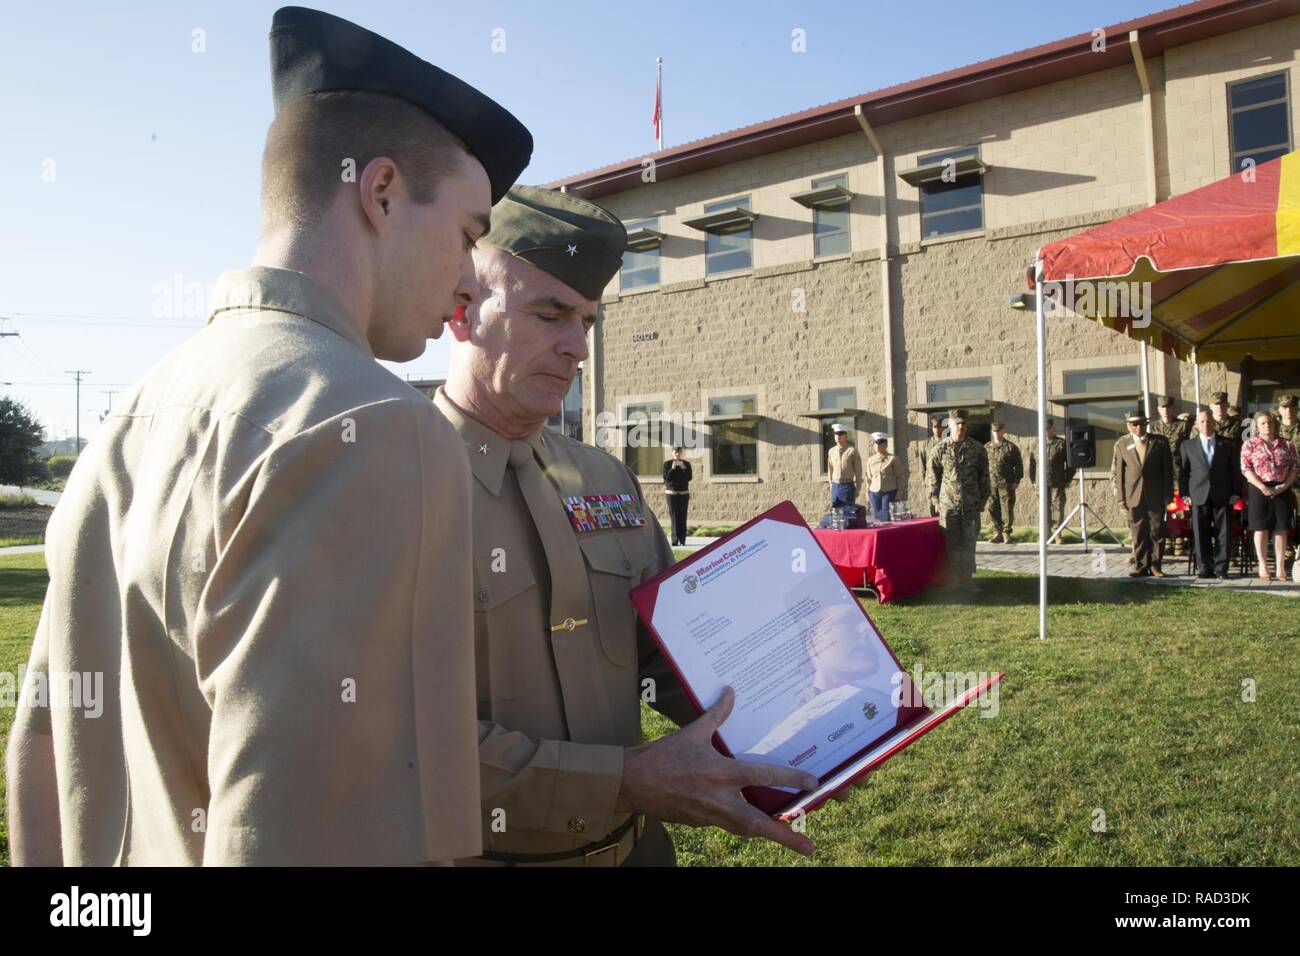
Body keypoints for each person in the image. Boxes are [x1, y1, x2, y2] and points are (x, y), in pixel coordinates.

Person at [4, 7, 535, 867]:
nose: (469, 283)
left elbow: (42, 765)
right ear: (383, 191)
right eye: (469, 233)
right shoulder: (376, 429)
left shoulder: (130, 415)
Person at [435, 184, 822, 867]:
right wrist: (623, 782)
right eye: (551, 314)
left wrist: (793, 732)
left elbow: (664, 654)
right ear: (462, 313)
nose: (578, 348)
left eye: (588, 321)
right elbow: (392, 738)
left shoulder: (605, 478)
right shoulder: (390, 485)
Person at [930, 408, 989, 593]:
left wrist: (982, 501)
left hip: (970, 504)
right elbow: (933, 477)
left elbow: (984, 477)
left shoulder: (978, 449)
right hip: (948, 506)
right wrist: (935, 500)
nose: (961, 427)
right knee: (952, 543)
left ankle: (968, 580)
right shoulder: (940, 449)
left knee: (969, 543)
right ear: (950, 424)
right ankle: (954, 580)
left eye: (964, 424)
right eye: (957, 424)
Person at [1179, 409, 1242, 579]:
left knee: (1224, 534)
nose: (1206, 424)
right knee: (1200, 535)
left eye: (1208, 421)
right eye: (1202, 422)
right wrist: (1184, 493)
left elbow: (1235, 471)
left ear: (1214, 423)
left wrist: (1236, 492)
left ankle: (1222, 569)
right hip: (1198, 495)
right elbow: (1184, 473)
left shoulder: (1228, 444)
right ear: (1196, 425)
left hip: (1223, 495)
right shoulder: (1187, 445)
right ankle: (1205, 568)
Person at [1112, 411, 1174, 578]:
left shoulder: (1160, 442)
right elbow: (1119, 474)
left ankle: (1155, 565)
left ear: (1146, 424)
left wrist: (1169, 495)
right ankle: (1141, 566)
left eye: (1141, 423)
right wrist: (1121, 498)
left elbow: (1168, 470)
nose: (1138, 427)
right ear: (1128, 426)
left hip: (1156, 494)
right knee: (1138, 532)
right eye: (1134, 424)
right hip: (1133, 495)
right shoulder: (1122, 444)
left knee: (1157, 531)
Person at [1240, 410, 1298, 582]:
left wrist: (1284, 486)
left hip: (1282, 489)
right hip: (1259, 489)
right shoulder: (1250, 445)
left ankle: (1280, 567)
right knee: (1261, 527)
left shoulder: (1287, 445)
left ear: (1275, 425)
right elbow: (1246, 468)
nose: (1267, 426)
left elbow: (1294, 468)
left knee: (1280, 528)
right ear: (1257, 427)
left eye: (1270, 423)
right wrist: (1261, 486)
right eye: (1263, 423)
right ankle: (1263, 565)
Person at [1028, 418, 1075, 545]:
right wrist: (1033, 480)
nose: (1045, 431)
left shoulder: (1061, 443)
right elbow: (1032, 464)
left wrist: (1067, 479)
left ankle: (1057, 534)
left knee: (1058, 508)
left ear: (1053, 429)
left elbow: (1070, 464)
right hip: (1041, 484)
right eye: (1043, 429)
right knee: (1044, 509)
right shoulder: (1036, 444)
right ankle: (1045, 534)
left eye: (1048, 428)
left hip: (1057, 483)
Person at [984, 421, 1024, 543]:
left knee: (1007, 509)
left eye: (999, 431)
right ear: (992, 431)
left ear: (1003, 431)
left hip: (1006, 484)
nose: (996, 433)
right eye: (994, 431)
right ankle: (997, 532)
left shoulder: (1011, 448)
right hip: (991, 485)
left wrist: (1017, 481)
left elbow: (1019, 466)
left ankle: (1006, 533)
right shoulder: (986, 448)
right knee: (992, 508)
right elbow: (981, 466)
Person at [863, 432, 903, 521]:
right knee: (876, 516)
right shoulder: (871, 460)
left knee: (886, 515)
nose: (877, 446)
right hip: (874, 492)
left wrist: (900, 491)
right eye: (875, 443)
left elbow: (899, 476)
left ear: (885, 445)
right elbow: (868, 478)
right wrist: (867, 492)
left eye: (880, 443)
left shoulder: (893, 459)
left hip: (889, 491)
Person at [827, 422, 863, 508]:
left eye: (840, 434)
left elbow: (858, 471)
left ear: (846, 437)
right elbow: (830, 469)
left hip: (847, 486)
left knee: (847, 513)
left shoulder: (852, 450)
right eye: (836, 434)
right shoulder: (831, 451)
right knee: (836, 513)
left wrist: (858, 488)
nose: (838, 436)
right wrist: (831, 484)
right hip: (835, 485)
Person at [662, 446, 693, 547]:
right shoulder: (667, 464)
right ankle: (675, 540)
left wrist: (684, 469)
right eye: (675, 452)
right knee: (674, 516)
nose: (677, 454)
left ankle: (682, 540)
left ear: (682, 453)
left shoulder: (686, 464)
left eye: (679, 452)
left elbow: (689, 478)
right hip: (671, 494)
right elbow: (666, 479)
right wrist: (672, 469)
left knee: (683, 516)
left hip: (683, 493)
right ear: (672, 453)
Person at [921, 417, 946, 516]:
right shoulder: (926, 444)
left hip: (945, 481)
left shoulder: (947, 442)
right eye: (935, 427)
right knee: (932, 511)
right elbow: (923, 464)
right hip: (931, 482)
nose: (937, 429)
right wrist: (925, 481)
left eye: (939, 427)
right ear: (932, 428)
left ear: (943, 428)